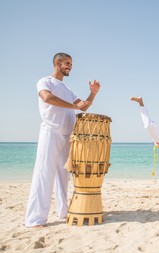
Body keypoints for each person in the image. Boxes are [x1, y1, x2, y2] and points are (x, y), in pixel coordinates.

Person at [25, 53, 101, 228]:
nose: (70, 67)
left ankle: (63, 212)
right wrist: (75, 106)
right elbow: (47, 98)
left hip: (68, 135)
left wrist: (92, 94)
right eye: (67, 63)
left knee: (63, 176)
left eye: (71, 64)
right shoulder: (45, 81)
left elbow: (82, 105)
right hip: (50, 132)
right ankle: (35, 219)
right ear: (57, 63)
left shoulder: (67, 89)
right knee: (44, 174)